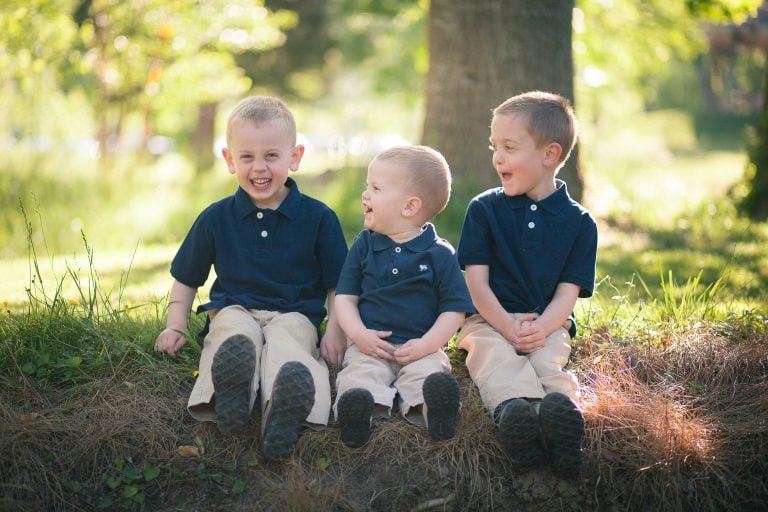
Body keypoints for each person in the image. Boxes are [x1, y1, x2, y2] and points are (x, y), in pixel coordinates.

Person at [154, 95, 348, 460]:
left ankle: (285, 413)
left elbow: (338, 284)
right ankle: (231, 398)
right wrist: (175, 325)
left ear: (295, 156)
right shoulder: (216, 217)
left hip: (295, 313)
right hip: (234, 307)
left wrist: (336, 331)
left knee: (291, 347)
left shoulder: (319, 218)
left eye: (272, 156)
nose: (259, 167)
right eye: (247, 157)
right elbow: (186, 278)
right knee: (230, 333)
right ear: (230, 160)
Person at [456, 91, 598, 475]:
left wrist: (541, 327)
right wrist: (507, 327)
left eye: (509, 147)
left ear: (549, 155)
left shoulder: (580, 223)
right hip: (488, 319)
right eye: (494, 146)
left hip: (546, 321)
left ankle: (563, 423)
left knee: (548, 361)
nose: (497, 157)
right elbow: (476, 284)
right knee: (494, 357)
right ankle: (516, 417)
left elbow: (568, 293)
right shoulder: (484, 209)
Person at [333, 145, 474, 448]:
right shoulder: (364, 245)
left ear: (409, 207)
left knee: (428, 377)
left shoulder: (439, 253)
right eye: (366, 186)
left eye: (375, 188)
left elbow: (454, 310)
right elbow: (345, 297)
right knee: (359, 377)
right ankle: (358, 416)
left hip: (420, 347)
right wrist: (359, 335)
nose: (365, 195)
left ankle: (435, 412)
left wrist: (428, 344)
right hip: (371, 346)